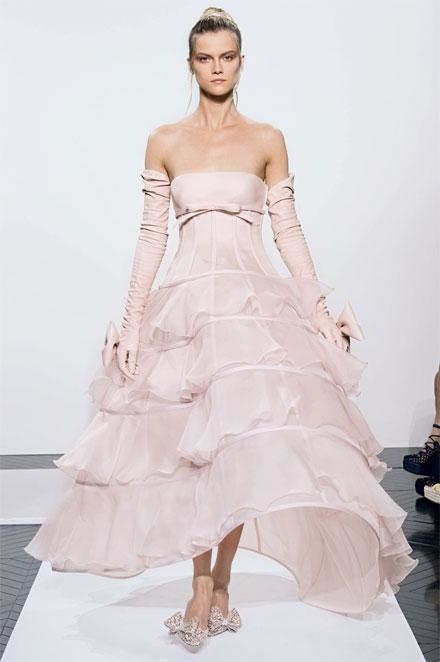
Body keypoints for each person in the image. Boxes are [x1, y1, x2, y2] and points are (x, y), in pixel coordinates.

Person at [24, 6, 419, 651]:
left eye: (227, 57)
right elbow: (151, 236)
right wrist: (132, 323)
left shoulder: (266, 139)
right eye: (206, 58)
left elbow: (288, 230)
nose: (217, 68)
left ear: (241, 62)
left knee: (236, 451)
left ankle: (221, 580)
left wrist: (318, 312)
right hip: (185, 309)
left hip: (248, 306)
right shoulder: (165, 140)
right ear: (190, 64)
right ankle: (200, 583)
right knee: (191, 455)